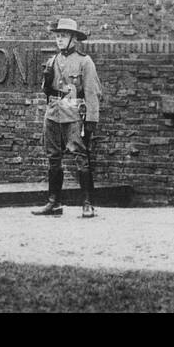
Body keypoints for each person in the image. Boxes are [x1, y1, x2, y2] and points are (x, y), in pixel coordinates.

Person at [31, 16, 102, 218]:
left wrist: (91, 121)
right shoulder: (53, 61)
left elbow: (92, 93)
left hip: (74, 115)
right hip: (53, 114)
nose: (59, 40)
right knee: (53, 157)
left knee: (81, 157)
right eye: (58, 36)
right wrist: (46, 79)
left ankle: (87, 203)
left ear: (73, 39)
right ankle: (54, 202)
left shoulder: (84, 62)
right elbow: (48, 91)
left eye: (63, 36)